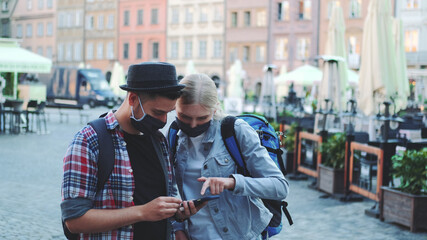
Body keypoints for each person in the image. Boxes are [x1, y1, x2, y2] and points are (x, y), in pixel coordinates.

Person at [61, 62, 198, 239]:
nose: (163, 120)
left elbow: (160, 208)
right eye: (157, 112)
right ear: (133, 99)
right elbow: (74, 220)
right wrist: (141, 212)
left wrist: (178, 211)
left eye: (168, 113)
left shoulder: (159, 141)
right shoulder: (89, 140)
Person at [172, 74, 289, 240]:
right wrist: (178, 228)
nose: (193, 125)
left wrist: (233, 182)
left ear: (215, 108)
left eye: (202, 118)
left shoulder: (235, 130)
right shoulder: (172, 135)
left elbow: (280, 187)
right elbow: (169, 190)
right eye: (184, 116)